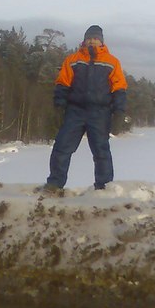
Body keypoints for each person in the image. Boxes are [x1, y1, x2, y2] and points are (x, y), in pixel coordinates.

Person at [43, 25, 127, 193]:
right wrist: (59, 106)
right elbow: (62, 84)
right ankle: (54, 184)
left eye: (95, 38)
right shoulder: (72, 60)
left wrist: (119, 112)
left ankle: (103, 188)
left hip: (100, 113)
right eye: (89, 38)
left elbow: (119, 88)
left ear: (101, 41)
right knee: (61, 148)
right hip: (75, 111)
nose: (92, 41)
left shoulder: (112, 62)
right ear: (84, 40)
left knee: (101, 152)